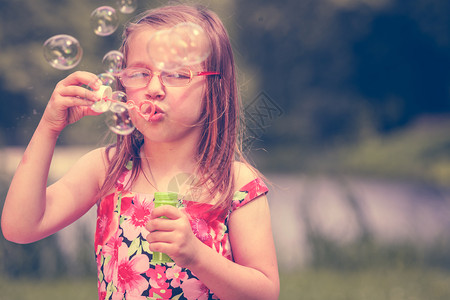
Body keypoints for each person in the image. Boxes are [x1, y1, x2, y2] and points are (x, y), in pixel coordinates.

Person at [1, 4, 279, 300]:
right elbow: (20, 227)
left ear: (214, 86)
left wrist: (197, 257)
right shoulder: (106, 170)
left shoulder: (234, 182)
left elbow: (264, 293)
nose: (154, 88)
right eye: (140, 73)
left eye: (176, 74)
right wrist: (49, 127)